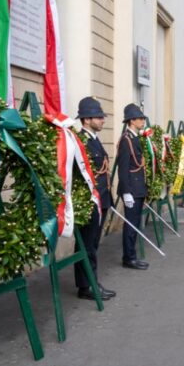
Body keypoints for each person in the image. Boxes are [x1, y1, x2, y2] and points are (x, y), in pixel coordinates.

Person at [74, 97, 115, 300]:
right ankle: (87, 285)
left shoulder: (94, 139)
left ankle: (89, 281)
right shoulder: (81, 141)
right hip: (91, 201)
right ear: (87, 119)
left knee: (92, 244)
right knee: (87, 244)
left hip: (102, 199)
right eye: (99, 117)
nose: (103, 120)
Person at [117, 103, 150, 271]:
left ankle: (131, 255)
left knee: (135, 223)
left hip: (138, 187)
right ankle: (129, 257)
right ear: (131, 121)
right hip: (131, 188)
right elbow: (123, 168)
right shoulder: (126, 140)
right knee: (130, 224)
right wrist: (126, 191)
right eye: (139, 118)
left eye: (142, 118)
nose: (142, 120)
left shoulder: (135, 137)